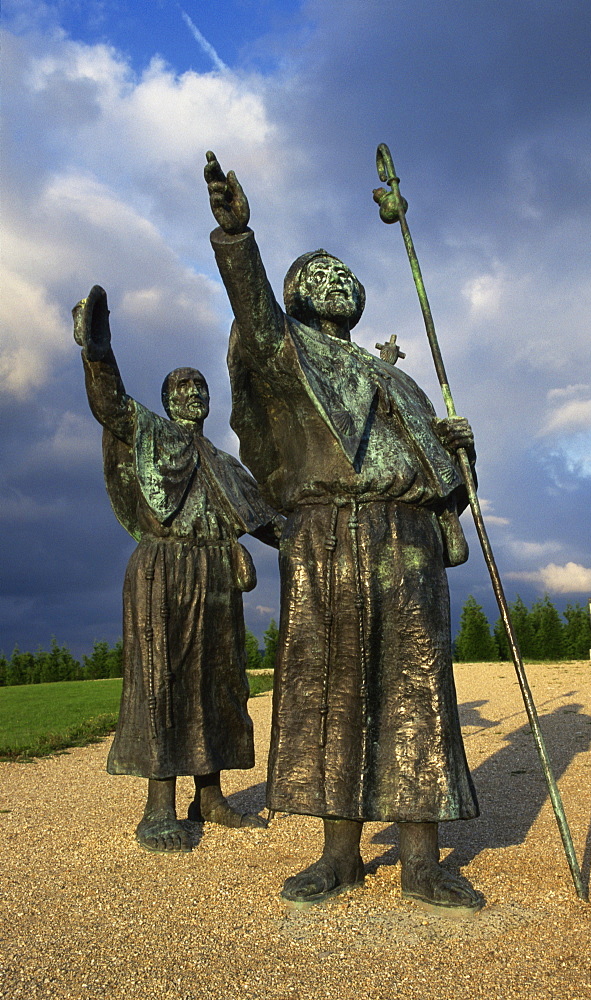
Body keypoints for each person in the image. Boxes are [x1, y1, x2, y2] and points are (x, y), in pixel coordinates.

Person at [204, 152, 482, 914]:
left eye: (344, 273)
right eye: (319, 274)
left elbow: (451, 484)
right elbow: (256, 318)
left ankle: (423, 857)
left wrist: (459, 449)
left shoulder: (398, 377)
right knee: (330, 688)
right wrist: (238, 240)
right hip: (327, 531)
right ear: (295, 296)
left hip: (407, 536)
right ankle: (339, 854)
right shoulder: (289, 354)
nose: (336, 280)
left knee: (416, 686)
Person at [73, 285, 283, 853]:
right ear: (167, 400)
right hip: (163, 568)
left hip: (216, 577)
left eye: (200, 387)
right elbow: (110, 403)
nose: (193, 393)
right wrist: (98, 351)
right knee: (162, 683)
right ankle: (159, 806)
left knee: (217, 683)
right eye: (182, 387)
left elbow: (271, 521)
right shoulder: (150, 433)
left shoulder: (225, 463)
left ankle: (209, 797)